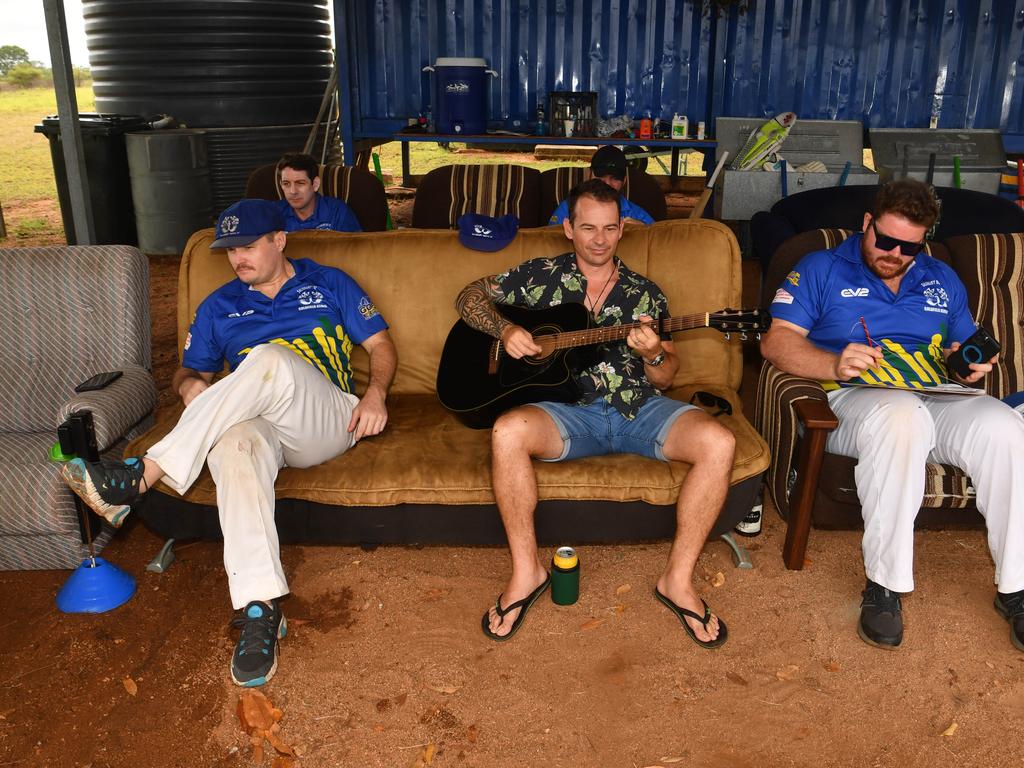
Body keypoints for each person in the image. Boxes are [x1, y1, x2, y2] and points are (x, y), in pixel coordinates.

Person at [61, 199, 397, 685]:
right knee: (232, 446)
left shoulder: (329, 282)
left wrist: (377, 394)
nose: (237, 258)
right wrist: (188, 386)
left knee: (269, 359)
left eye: (247, 246)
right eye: (229, 250)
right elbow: (190, 368)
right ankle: (260, 610)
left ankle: (144, 473)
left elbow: (380, 345)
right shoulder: (219, 305)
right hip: (259, 423)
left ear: (279, 240)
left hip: (325, 418)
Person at [457, 178, 735, 647]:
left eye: (610, 228)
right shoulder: (540, 275)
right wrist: (505, 331)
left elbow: (666, 378)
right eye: (588, 227)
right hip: (566, 412)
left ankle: (678, 581)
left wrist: (652, 355)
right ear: (567, 228)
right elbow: (468, 297)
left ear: (622, 228)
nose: (600, 239)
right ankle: (527, 573)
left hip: (636, 409)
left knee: (720, 442)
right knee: (507, 431)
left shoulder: (646, 295)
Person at [760, 179, 1024, 652]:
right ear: (867, 224)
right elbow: (776, 341)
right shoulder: (819, 267)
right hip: (854, 400)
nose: (895, 253)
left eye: (909, 246)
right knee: (902, 416)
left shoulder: (940, 277)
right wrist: (831, 363)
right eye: (885, 240)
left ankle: (1017, 588)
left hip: (936, 396)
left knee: (1005, 429)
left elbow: (959, 346)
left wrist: (967, 365)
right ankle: (885, 585)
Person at [548, 145, 655, 226]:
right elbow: (550, 240)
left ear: (625, 180)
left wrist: (641, 231)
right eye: (602, 176)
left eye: (615, 178)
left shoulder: (637, 214)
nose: (607, 183)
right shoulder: (568, 208)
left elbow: (657, 241)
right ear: (589, 174)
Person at [275, 152, 362, 233]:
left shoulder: (337, 212)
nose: (293, 191)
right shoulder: (273, 213)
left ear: (315, 184)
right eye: (286, 184)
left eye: (300, 183)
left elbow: (356, 247)